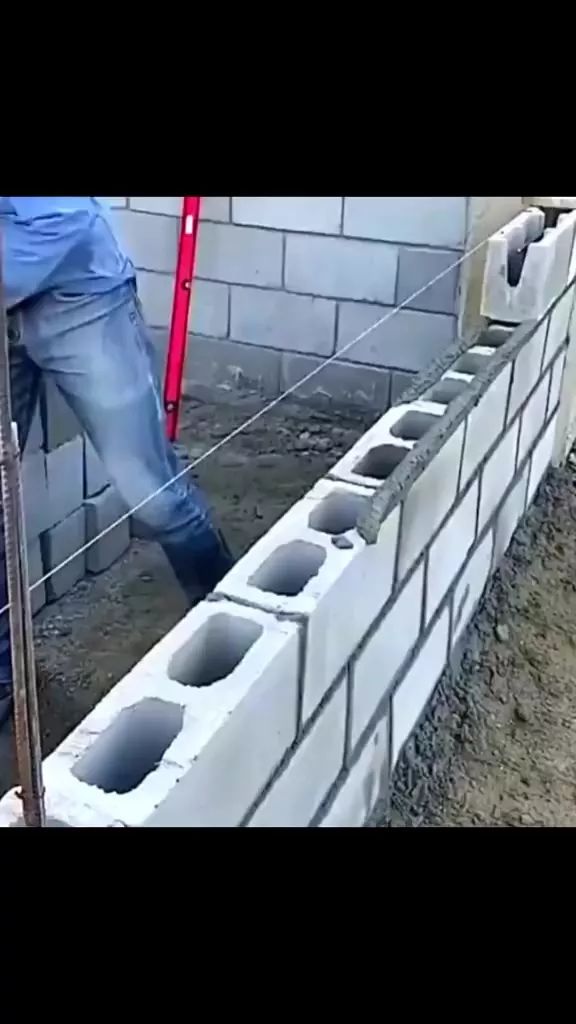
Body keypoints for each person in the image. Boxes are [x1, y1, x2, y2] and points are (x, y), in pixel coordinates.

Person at [0, 197, 234, 726]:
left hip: (79, 297)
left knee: (151, 493)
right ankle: (2, 680)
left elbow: (64, 219)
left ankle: (233, 628)